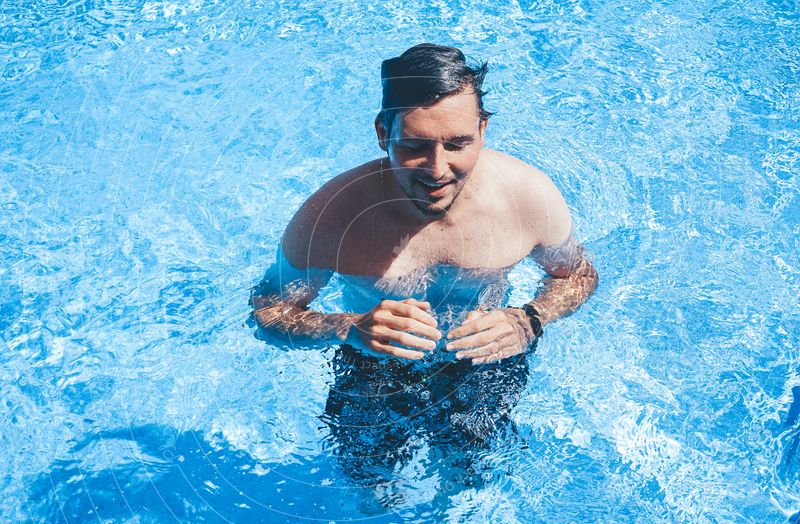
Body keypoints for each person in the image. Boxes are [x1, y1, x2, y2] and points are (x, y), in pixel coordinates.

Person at [250, 43, 598, 367]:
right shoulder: (332, 216)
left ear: (482, 130)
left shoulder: (527, 198)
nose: (437, 170)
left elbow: (579, 276)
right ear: (383, 134)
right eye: (415, 147)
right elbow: (268, 312)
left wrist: (529, 319)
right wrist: (348, 329)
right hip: (374, 357)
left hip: (490, 352)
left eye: (458, 145)